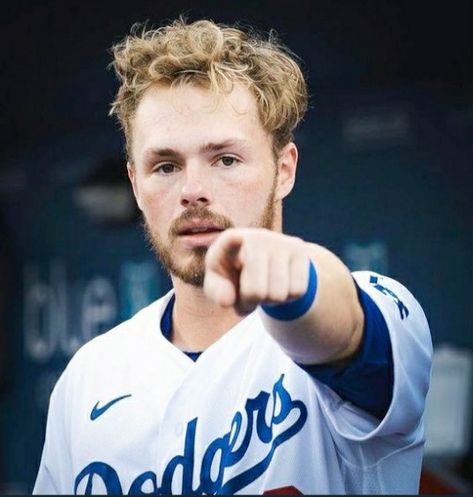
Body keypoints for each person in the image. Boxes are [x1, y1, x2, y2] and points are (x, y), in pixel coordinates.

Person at [33, 18, 432, 495]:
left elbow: (345, 328)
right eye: (165, 166)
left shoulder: (373, 307)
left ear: (283, 170)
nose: (193, 191)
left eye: (225, 159)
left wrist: (300, 285)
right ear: (136, 186)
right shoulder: (88, 376)